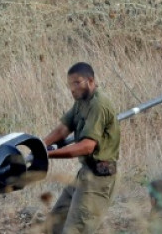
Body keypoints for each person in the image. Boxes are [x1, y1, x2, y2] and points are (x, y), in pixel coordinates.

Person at [42, 62, 120, 234]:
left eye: (77, 83)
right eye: (70, 84)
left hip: (98, 178)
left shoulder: (99, 105)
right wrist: (40, 146)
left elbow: (86, 147)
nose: (72, 89)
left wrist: (49, 155)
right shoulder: (81, 102)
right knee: (53, 225)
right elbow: (63, 129)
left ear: (90, 81)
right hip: (84, 174)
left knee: (75, 230)